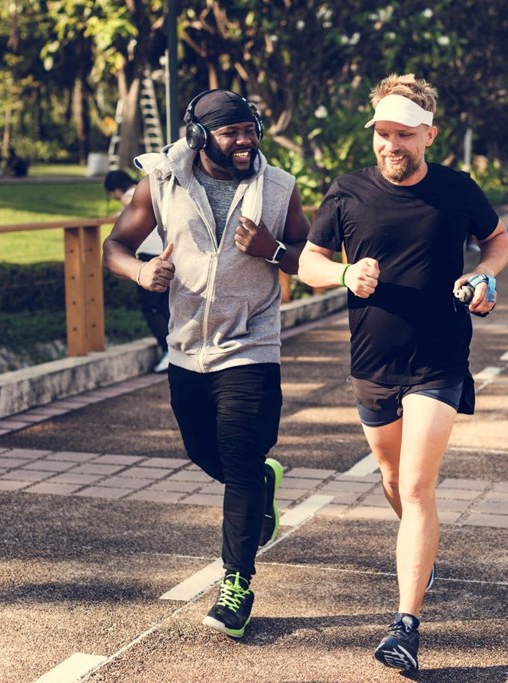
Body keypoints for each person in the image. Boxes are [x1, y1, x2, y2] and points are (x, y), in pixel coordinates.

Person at [297, 73, 508, 674]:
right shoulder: (347, 194)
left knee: (417, 487)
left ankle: (405, 626)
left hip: (439, 356)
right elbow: (310, 260)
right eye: (383, 134)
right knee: (390, 478)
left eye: (404, 135)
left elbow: (497, 242)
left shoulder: (456, 190)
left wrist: (485, 277)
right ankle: (423, 548)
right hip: (372, 362)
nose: (392, 144)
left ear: (429, 136)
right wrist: (343, 276)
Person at [102, 88, 311, 638]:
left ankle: (236, 586)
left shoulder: (279, 187)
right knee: (203, 451)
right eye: (230, 133)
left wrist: (271, 249)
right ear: (199, 136)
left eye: (249, 130)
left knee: (238, 466)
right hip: (186, 348)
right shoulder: (162, 182)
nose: (244, 142)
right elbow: (115, 245)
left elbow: (310, 259)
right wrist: (141, 272)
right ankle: (261, 483)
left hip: (251, 346)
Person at [104, 169, 171, 373]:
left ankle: (168, 350)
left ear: (115, 189)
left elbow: (129, 211)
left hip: (150, 259)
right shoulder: (156, 191)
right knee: (168, 307)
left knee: (152, 308)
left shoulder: (131, 196)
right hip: (168, 254)